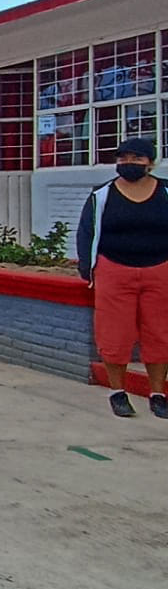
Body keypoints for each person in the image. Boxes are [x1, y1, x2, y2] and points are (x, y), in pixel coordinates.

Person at [77, 136, 168, 419]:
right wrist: (87, 266)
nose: (129, 163)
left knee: (160, 333)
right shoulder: (101, 196)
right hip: (114, 271)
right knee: (115, 334)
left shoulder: (165, 192)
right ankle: (118, 392)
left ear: (150, 163)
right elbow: (87, 233)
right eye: (123, 158)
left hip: (160, 270)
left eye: (136, 158)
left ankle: (158, 393)